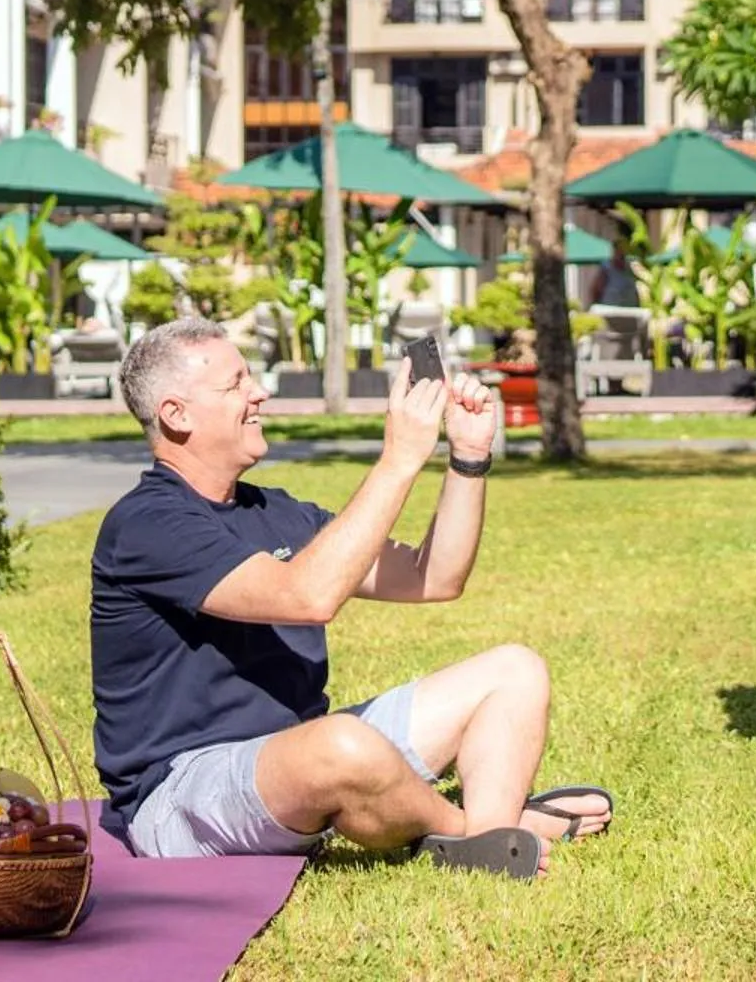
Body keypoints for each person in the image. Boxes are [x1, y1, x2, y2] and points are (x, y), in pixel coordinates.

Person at [91, 318, 612, 881]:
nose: (259, 393)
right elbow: (308, 597)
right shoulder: (148, 523)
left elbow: (432, 578)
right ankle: (483, 831)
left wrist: (467, 456)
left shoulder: (272, 510)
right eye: (236, 383)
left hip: (296, 753)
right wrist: (399, 458)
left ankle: (485, 841)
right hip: (186, 789)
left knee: (515, 670)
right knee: (341, 745)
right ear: (176, 414)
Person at [587, 236, 640, 308]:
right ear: (615, 251)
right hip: (610, 311)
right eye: (620, 250)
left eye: (625, 250)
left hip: (629, 311)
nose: (623, 253)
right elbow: (596, 289)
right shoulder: (606, 268)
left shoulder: (629, 268)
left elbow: (634, 291)